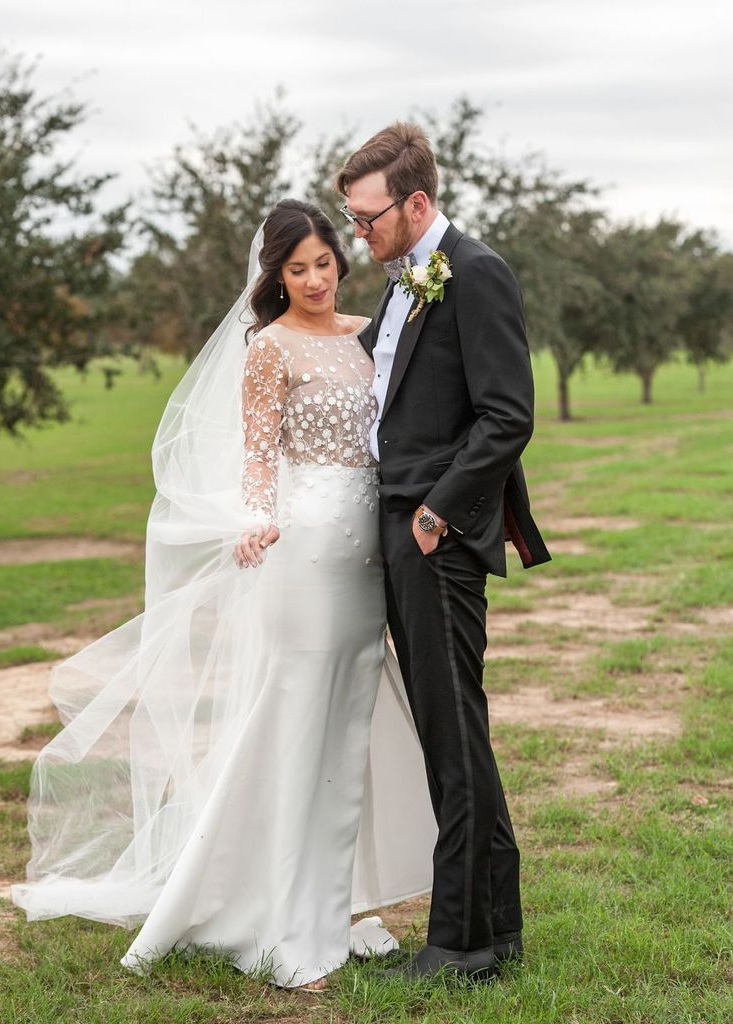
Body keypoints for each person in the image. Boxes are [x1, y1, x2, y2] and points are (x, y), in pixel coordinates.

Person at [11, 199, 437, 991]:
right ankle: (274, 907)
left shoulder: (365, 334)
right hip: (302, 549)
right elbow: (255, 456)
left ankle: (332, 898)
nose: (313, 279)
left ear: (339, 260)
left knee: (348, 721)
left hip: (368, 553)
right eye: (296, 268)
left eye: (322, 262)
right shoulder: (269, 348)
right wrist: (254, 518)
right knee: (291, 717)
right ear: (275, 276)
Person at [336, 123, 551, 983]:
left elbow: (507, 415)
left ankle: (458, 945)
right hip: (396, 526)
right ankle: (495, 931)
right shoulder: (401, 286)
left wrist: (433, 516)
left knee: (451, 735)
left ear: (415, 202)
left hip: (436, 536)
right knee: (451, 731)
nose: (359, 231)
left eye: (367, 216)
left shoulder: (476, 272)